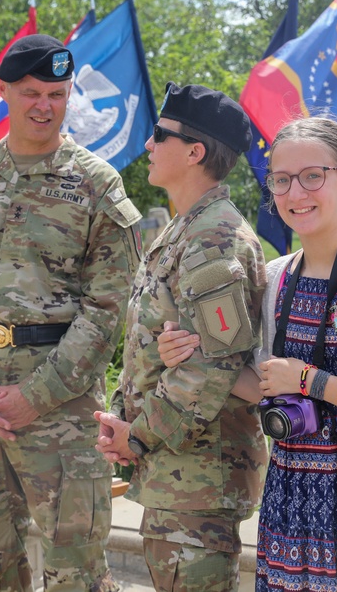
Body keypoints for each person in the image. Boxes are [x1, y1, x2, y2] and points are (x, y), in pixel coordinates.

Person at [158, 116, 337, 591]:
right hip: (291, 507)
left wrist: (310, 380)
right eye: (282, 180)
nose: (296, 193)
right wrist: (193, 356)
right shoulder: (276, 279)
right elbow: (264, 386)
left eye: (314, 176)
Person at [0, 33, 142, 592]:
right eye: (30, 92)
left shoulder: (96, 184)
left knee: (76, 575)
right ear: (5, 93)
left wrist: (30, 399)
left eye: (57, 93)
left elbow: (106, 311)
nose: (44, 105)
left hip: (60, 414)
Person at [93, 82, 270, 592]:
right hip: (176, 470)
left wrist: (140, 433)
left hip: (200, 474)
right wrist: (126, 424)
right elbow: (156, 348)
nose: (147, 145)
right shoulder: (184, 230)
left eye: (158, 135)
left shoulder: (213, 239)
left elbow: (210, 367)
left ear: (195, 152)